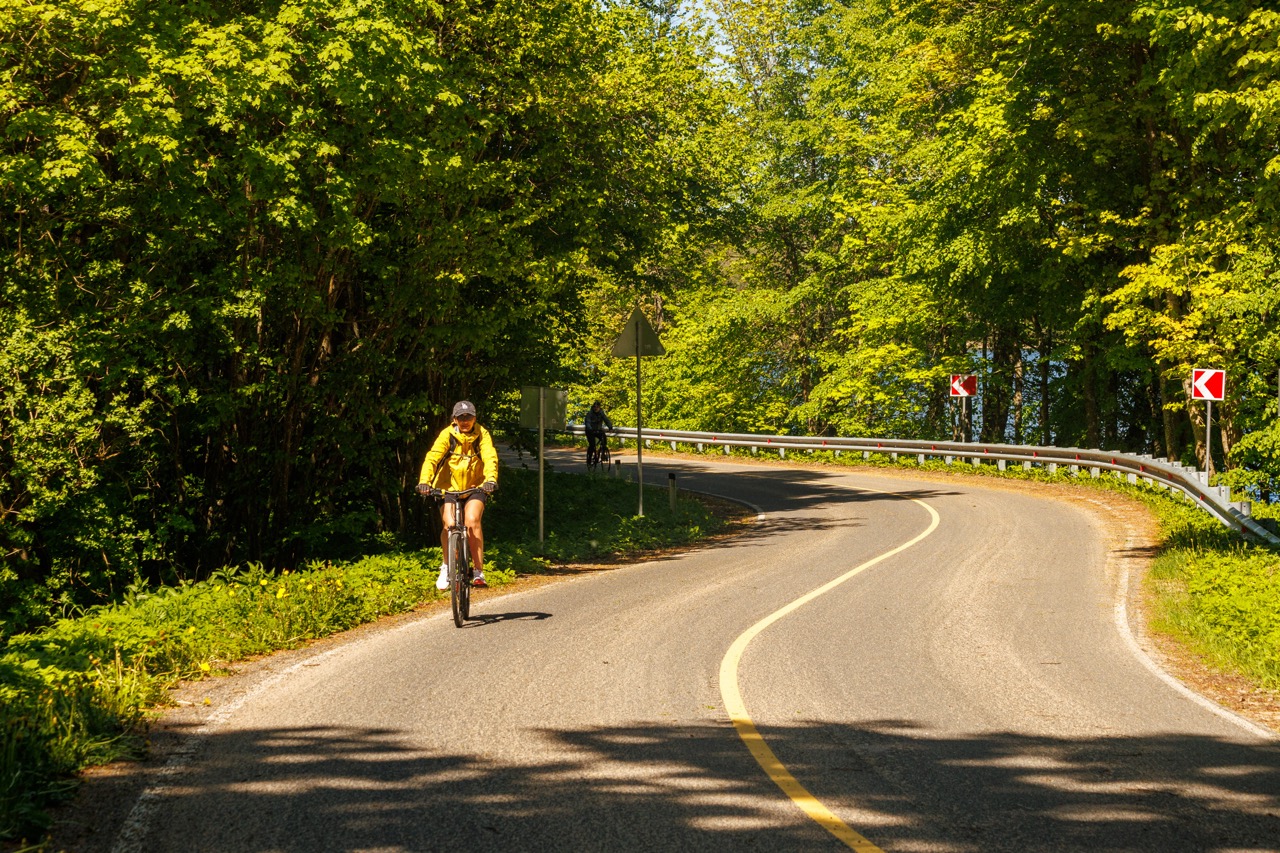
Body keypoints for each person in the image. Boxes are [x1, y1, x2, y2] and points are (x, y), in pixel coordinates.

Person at [417, 400, 499, 590]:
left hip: (475, 486)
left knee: (472, 520)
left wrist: (491, 479)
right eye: (461, 418)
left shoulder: (482, 434)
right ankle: (446, 566)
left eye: (468, 417)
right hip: (447, 487)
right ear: (454, 419)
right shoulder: (447, 435)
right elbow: (433, 457)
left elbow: (490, 456)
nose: (465, 421)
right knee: (449, 524)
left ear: (474, 418)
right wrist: (424, 481)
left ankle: (478, 571)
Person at [584, 400, 613, 464]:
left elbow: (606, 420)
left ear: (599, 407)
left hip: (598, 430)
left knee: (604, 439)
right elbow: (587, 422)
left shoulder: (601, 413)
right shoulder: (590, 414)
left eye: (597, 407)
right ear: (593, 407)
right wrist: (590, 429)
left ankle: (603, 453)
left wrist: (610, 427)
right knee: (592, 445)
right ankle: (589, 458)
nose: (596, 408)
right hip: (590, 431)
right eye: (594, 407)